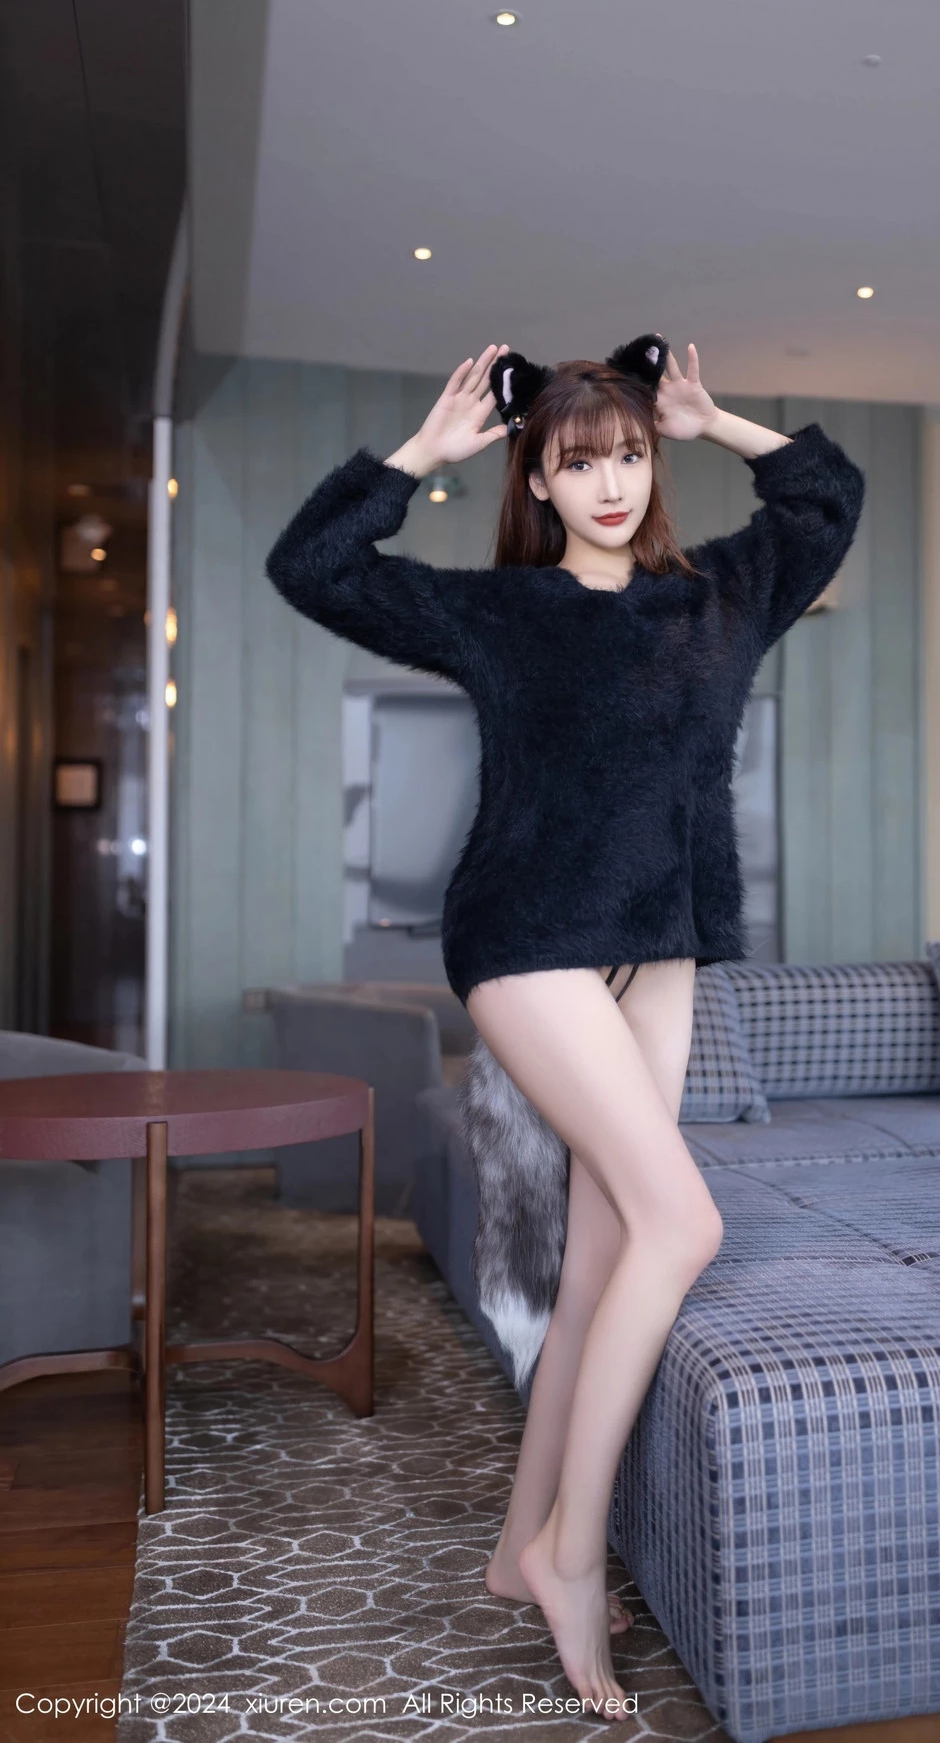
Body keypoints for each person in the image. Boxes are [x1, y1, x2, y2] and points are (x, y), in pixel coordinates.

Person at [265, 335, 865, 1717]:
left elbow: (828, 498)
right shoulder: (500, 613)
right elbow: (313, 566)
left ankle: (509, 1549)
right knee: (684, 1224)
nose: (611, 482)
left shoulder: (723, 593)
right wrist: (419, 456)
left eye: (631, 455)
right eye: (580, 460)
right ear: (537, 477)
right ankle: (570, 1555)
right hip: (529, 937)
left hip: (663, 946)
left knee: (603, 1259)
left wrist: (718, 421)